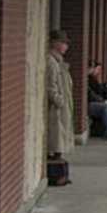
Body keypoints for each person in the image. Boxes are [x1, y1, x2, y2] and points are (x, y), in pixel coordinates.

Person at [45, 28, 74, 186]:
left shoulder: (59, 62)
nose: (66, 46)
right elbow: (51, 87)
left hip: (61, 108)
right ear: (55, 43)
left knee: (59, 141)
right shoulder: (51, 62)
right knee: (56, 140)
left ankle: (59, 172)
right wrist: (60, 101)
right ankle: (55, 174)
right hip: (55, 110)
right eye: (63, 43)